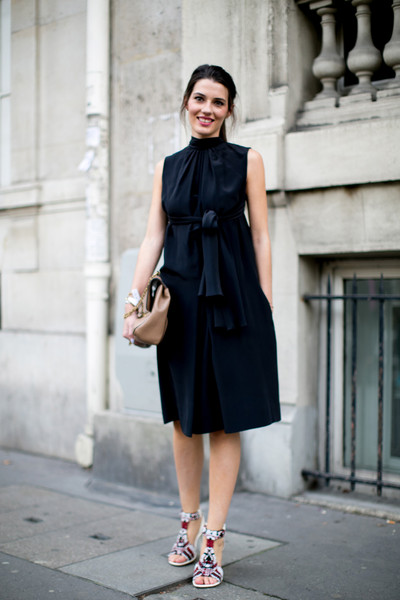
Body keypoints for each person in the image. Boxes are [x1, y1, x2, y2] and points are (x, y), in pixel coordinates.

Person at [123, 64, 280, 589]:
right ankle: (187, 521)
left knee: (224, 419)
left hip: (233, 299)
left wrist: (265, 300)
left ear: (230, 109)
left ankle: (214, 537)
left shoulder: (249, 160)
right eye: (199, 98)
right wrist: (132, 298)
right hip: (183, 300)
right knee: (185, 417)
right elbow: (152, 238)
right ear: (186, 102)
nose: (207, 109)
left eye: (218, 101)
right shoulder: (167, 167)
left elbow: (260, 236)